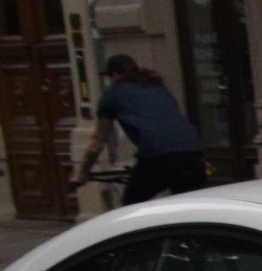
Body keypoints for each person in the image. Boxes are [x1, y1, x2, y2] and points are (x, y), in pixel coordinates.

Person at [83, 53, 204, 203]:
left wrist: (82, 172)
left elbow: (99, 139)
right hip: (193, 151)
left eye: (108, 77)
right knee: (189, 206)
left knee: (131, 207)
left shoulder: (112, 94)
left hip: (158, 156)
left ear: (114, 74)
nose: (108, 81)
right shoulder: (158, 87)